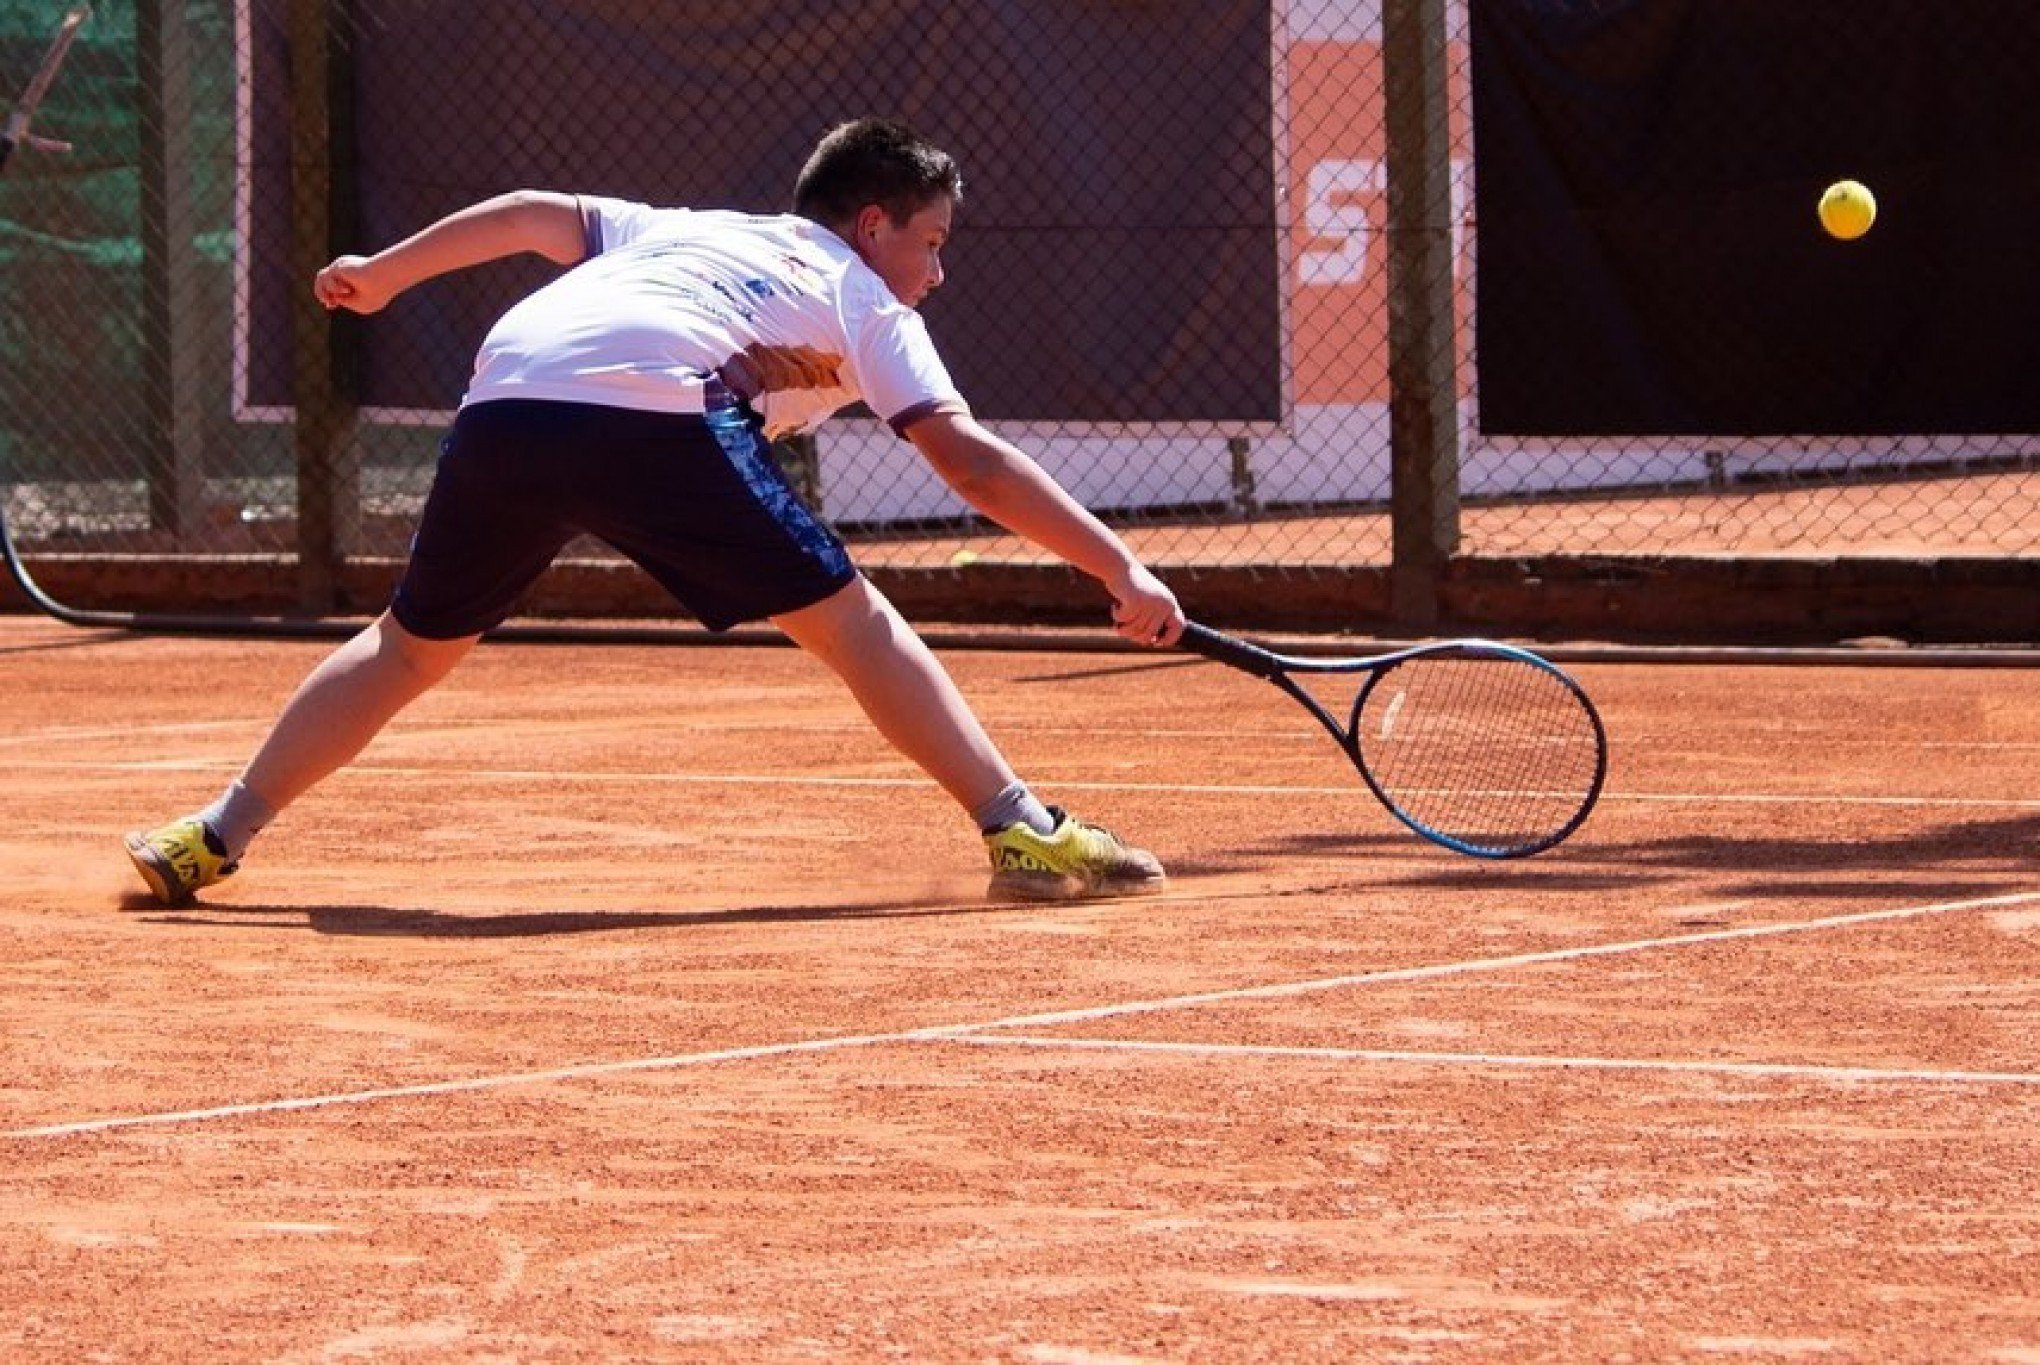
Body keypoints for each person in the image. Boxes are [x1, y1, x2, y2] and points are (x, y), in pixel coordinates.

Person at [122, 117, 1185, 907]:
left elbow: (534, 215)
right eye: (934, 242)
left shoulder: (684, 230)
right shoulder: (864, 297)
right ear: (873, 225)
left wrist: (386, 276)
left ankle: (212, 835)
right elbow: (972, 466)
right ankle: (1021, 830)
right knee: (854, 625)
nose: (939, 271)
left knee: (408, 646)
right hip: (657, 408)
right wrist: (1120, 572)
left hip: (507, 400)